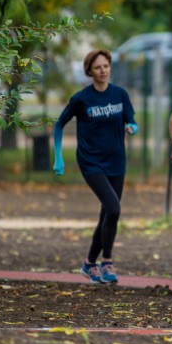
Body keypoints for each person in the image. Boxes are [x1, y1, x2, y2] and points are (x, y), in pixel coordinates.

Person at [53, 49, 138, 284]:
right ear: (89, 71)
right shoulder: (81, 99)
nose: (103, 71)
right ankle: (107, 261)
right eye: (98, 67)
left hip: (117, 162)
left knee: (108, 214)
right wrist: (58, 158)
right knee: (114, 208)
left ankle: (89, 263)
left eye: (106, 66)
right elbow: (59, 124)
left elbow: (132, 121)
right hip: (91, 162)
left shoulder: (120, 94)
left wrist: (132, 127)